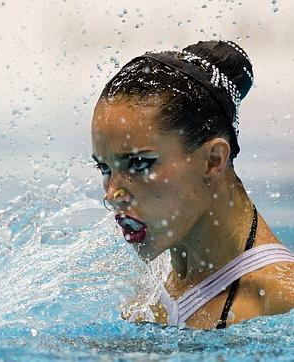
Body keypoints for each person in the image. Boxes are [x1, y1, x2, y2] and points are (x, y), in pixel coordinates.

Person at [90, 40, 294, 329]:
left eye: (138, 164)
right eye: (105, 168)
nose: (112, 195)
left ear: (212, 160)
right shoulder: (152, 287)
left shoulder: (279, 300)